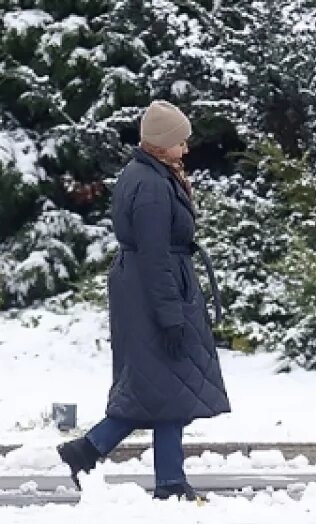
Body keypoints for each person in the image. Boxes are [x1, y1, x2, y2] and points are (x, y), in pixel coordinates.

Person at [58, 100, 230, 501]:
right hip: (155, 291)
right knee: (163, 385)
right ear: (162, 143)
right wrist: (170, 314)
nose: (186, 149)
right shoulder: (151, 186)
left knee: (162, 386)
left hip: (152, 288)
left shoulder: (151, 175)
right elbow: (154, 257)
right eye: (181, 142)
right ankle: (164, 480)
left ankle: (94, 452)